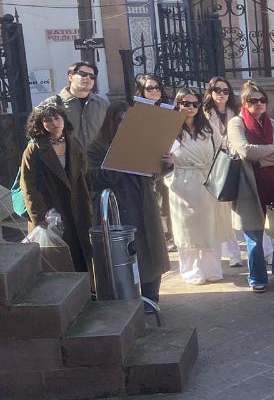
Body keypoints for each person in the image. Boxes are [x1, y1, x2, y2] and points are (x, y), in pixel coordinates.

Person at [87, 102, 171, 307]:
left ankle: (152, 297)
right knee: (128, 252)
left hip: (144, 203)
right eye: (120, 120)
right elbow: (96, 178)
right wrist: (121, 158)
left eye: (128, 121)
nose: (124, 125)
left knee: (152, 251)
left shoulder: (141, 142)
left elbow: (153, 174)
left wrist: (167, 164)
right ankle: (129, 297)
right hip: (119, 206)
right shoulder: (97, 147)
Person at [227, 81, 274, 293]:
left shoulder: (272, 124)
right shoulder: (236, 123)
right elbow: (244, 150)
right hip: (248, 186)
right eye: (253, 100)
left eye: (262, 100)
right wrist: (270, 151)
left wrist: (262, 156)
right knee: (253, 236)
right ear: (245, 103)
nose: (259, 104)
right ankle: (257, 278)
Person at [18, 105, 92, 273]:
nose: (54, 123)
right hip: (51, 210)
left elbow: (85, 174)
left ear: (64, 119)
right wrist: (38, 217)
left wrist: (88, 203)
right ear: (40, 124)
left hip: (78, 207)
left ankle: (88, 291)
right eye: (47, 120)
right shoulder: (34, 149)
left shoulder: (74, 142)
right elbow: (28, 185)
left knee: (83, 253)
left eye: (57, 118)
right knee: (59, 257)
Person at [165, 87, 223, 285]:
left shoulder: (208, 127)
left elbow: (222, 148)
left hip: (207, 180)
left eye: (194, 104)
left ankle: (212, 268)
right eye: (185, 103)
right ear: (178, 104)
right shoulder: (169, 129)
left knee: (209, 227)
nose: (190, 108)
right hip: (182, 180)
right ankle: (190, 270)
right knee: (186, 228)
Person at [203, 76, 243, 267]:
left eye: (225, 91)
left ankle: (237, 252)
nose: (221, 94)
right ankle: (232, 253)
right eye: (217, 90)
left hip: (233, 161)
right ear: (210, 92)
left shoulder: (235, 112)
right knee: (220, 211)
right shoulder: (203, 113)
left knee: (233, 209)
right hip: (213, 164)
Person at [134, 75, 176, 252]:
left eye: (157, 87)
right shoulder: (135, 110)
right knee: (151, 203)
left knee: (166, 201)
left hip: (166, 161)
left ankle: (170, 236)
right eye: (149, 88)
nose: (154, 91)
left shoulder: (169, 109)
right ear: (142, 91)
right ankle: (159, 237)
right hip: (143, 162)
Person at [40, 61, 109, 157]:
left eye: (92, 76)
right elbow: (36, 133)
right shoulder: (52, 104)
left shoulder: (103, 105)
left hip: (96, 163)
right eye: (83, 74)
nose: (88, 78)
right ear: (70, 76)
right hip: (67, 163)